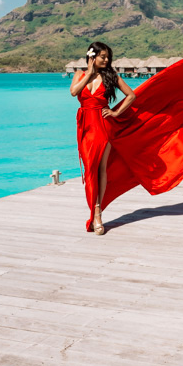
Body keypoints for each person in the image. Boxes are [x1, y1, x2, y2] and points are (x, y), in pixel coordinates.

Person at [70, 41, 136, 234]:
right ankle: (95, 211)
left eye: (108, 57)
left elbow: (131, 95)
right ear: (92, 57)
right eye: (103, 56)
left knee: (100, 168)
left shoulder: (111, 76)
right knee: (89, 169)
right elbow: (74, 92)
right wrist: (89, 73)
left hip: (103, 125)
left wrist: (116, 113)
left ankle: (97, 213)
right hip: (85, 126)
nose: (106, 60)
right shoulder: (79, 74)